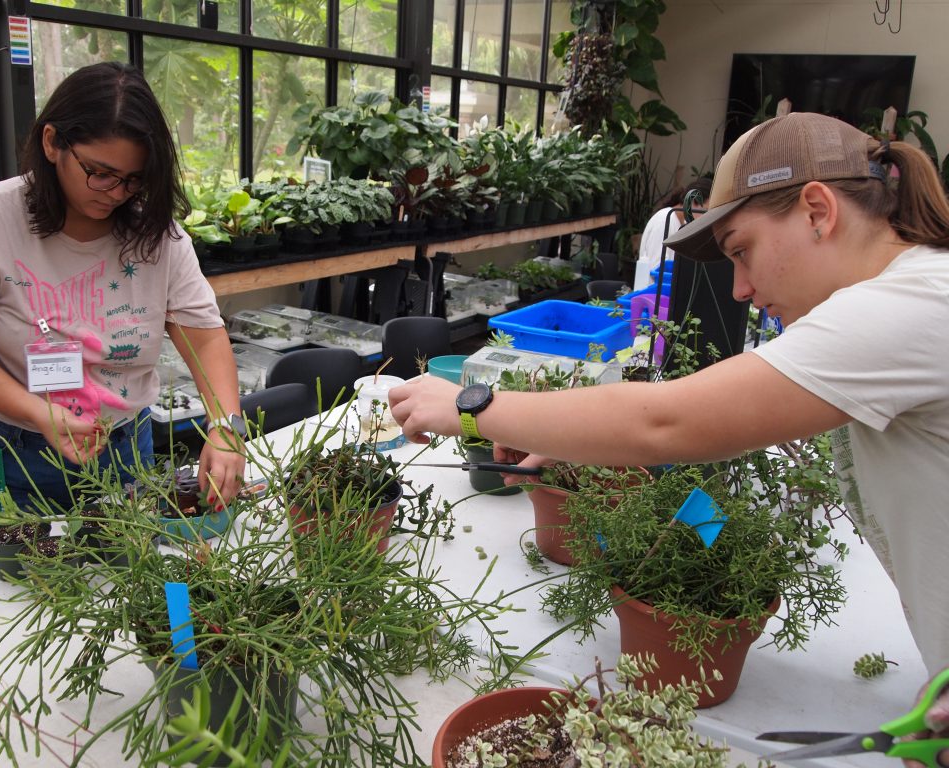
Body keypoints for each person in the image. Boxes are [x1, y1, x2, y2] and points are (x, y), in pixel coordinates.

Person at [389, 112, 949, 763]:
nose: (740, 288)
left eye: (743, 250)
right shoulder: (912, 298)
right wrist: (578, 442)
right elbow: (717, 432)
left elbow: (665, 423)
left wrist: (470, 405)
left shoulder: (905, 309)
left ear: (818, 211)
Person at [0, 62, 246, 541]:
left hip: (122, 447)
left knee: (122, 582)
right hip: (13, 450)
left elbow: (203, 336)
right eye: (100, 173)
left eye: (134, 179)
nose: (116, 194)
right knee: (20, 599)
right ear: (52, 143)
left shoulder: (158, 237)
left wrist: (225, 427)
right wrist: (38, 412)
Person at [636, 176, 713, 267]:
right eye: (706, 211)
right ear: (692, 202)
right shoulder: (664, 220)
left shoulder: (683, 224)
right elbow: (656, 266)